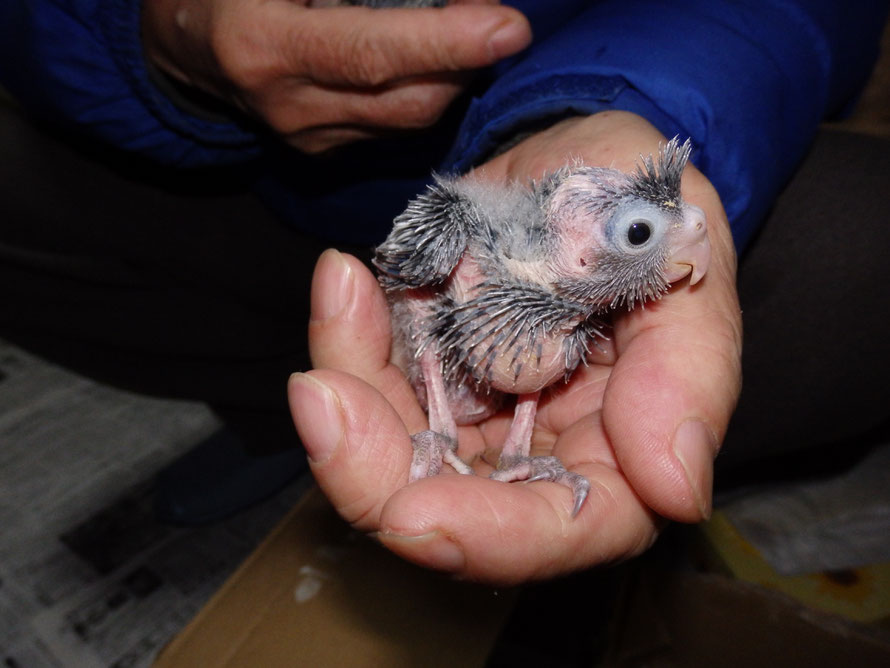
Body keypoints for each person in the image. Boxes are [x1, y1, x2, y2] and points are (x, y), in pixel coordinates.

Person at [0, 0, 887, 582]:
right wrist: (156, 39)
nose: (677, 243)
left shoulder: (573, 291)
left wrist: (612, 105)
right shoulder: (465, 245)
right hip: (248, 191)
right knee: (392, 321)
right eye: (641, 234)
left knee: (855, 244)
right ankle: (291, 410)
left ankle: (351, 416)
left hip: (568, 102)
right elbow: (419, 301)